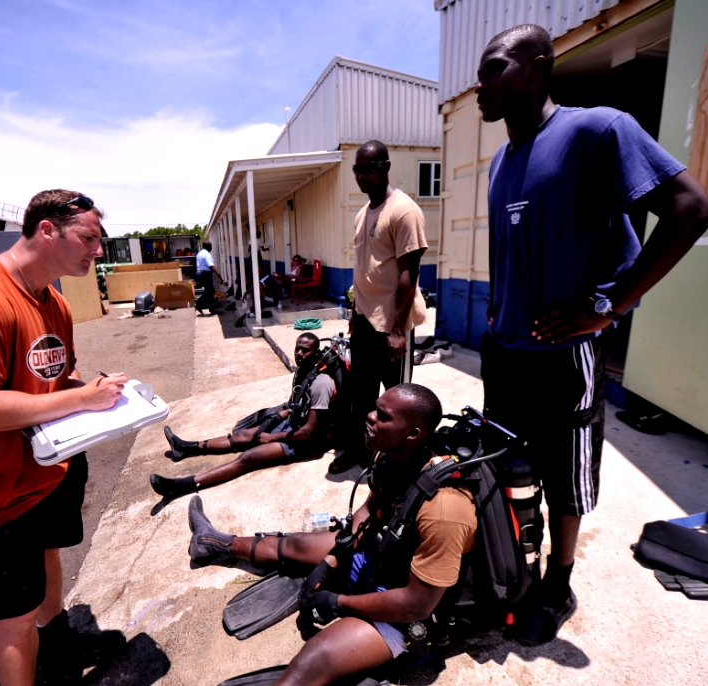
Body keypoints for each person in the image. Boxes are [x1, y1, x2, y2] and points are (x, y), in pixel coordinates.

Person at [475, 24, 708, 645]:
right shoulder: (502, 159)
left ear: (535, 67)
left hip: (565, 355)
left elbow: (693, 209)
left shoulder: (599, 130)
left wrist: (608, 306)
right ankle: (511, 568)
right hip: (506, 354)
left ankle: (559, 582)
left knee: (566, 475)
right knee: (506, 467)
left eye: (495, 67)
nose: (482, 82)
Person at [0, 189, 130, 685]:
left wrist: (104, 393)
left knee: (49, 555)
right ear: (47, 230)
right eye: (89, 238)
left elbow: (55, 379)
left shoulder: (52, 298)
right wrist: (81, 400)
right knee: (12, 615)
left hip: (48, 468)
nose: (97, 251)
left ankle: (57, 640)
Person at [188, 384, 475, 686]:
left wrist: (338, 603)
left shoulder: (445, 508)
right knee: (294, 544)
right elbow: (368, 510)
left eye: (383, 416)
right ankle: (214, 545)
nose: (370, 417)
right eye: (374, 408)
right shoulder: (390, 455)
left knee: (312, 662)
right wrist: (330, 561)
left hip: (407, 611)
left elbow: (416, 603)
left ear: (413, 433)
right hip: (383, 558)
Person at [328, 141, 428, 474]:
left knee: (398, 401)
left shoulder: (404, 210)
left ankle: (400, 461)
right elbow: (363, 269)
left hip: (391, 327)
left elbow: (408, 272)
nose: (361, 176)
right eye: (357, 170)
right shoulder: (362, 214)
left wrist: (399, 330)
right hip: (365, 322)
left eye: (368, 169)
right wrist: (356, 315)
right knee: (362, 394)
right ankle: (361, 452)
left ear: (385, 166)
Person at [150, 332, 339, 505]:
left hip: (307, 442)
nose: (299, 353)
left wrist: (272, 437)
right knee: (242, 436)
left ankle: (184, 484)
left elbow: (310, 430)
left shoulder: (321, 384)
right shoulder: (301, 372)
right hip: (291, 425)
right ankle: (186, 448)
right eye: (297, 348)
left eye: (305, 350)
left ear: (315, 354)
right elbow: (292, 403)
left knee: (249, 457)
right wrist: (274, 418)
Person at [195, 240, 223, 315]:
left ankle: (209, 308)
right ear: (207, 246)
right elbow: (211, 266)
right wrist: (219, 276)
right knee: (210, 292)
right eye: (210, 246)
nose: (211, 248)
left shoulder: (199, 253)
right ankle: (199, 305)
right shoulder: (207, 254)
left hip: (199, 273)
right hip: (205, 274)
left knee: (209, 292)